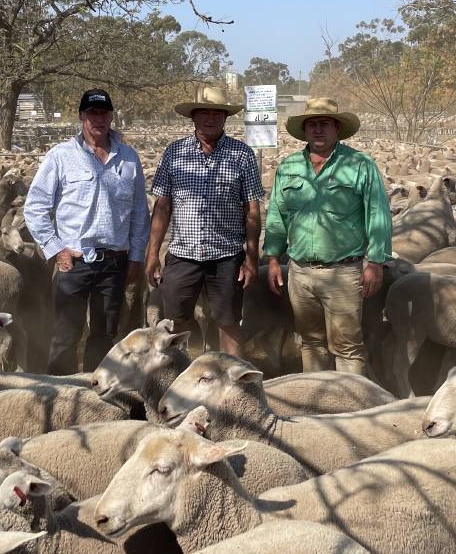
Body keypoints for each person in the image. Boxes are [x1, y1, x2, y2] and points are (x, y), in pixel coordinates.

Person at [262, 97, 393, 376]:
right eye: (312, 125)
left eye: (324, 124)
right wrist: (273, 259)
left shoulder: (359, 165)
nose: (318, 130)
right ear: (305, 130)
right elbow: (277, 216)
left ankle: (350, 407)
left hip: (343, 272)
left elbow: (377, 214)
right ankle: (318, 403)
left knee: (347, 346)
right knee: (310, 342)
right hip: (300, 272)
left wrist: (376, 263)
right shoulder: (289, 167)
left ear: (336, 128)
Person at [23, 89, 150, 374]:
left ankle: (95, 396)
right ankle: (60, 395)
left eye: (103, 113)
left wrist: (136, 256)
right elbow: (34, 207)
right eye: (92, 113)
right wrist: (56, 248)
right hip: (75, 262)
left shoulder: (128, 158)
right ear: (82, 116)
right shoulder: (61, 156)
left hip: (114, 261)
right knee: (66, 334)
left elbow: (140, 212)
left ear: (111, 116)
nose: (98, 119)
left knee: (105, 334)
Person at [146, 87, 263, 357]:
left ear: (225, 118)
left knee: (229, 323)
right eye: (204, 113)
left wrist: (251, 258)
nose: (210, 119)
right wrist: (152, 253)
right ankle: (171, 382)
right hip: (183, 254)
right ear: (193, 117)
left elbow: (252, 210)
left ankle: (232, 388)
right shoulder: (174, 153)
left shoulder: (241, 155)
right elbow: (162, 206)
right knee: (174, 323)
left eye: (217, 113)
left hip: (226, 256)